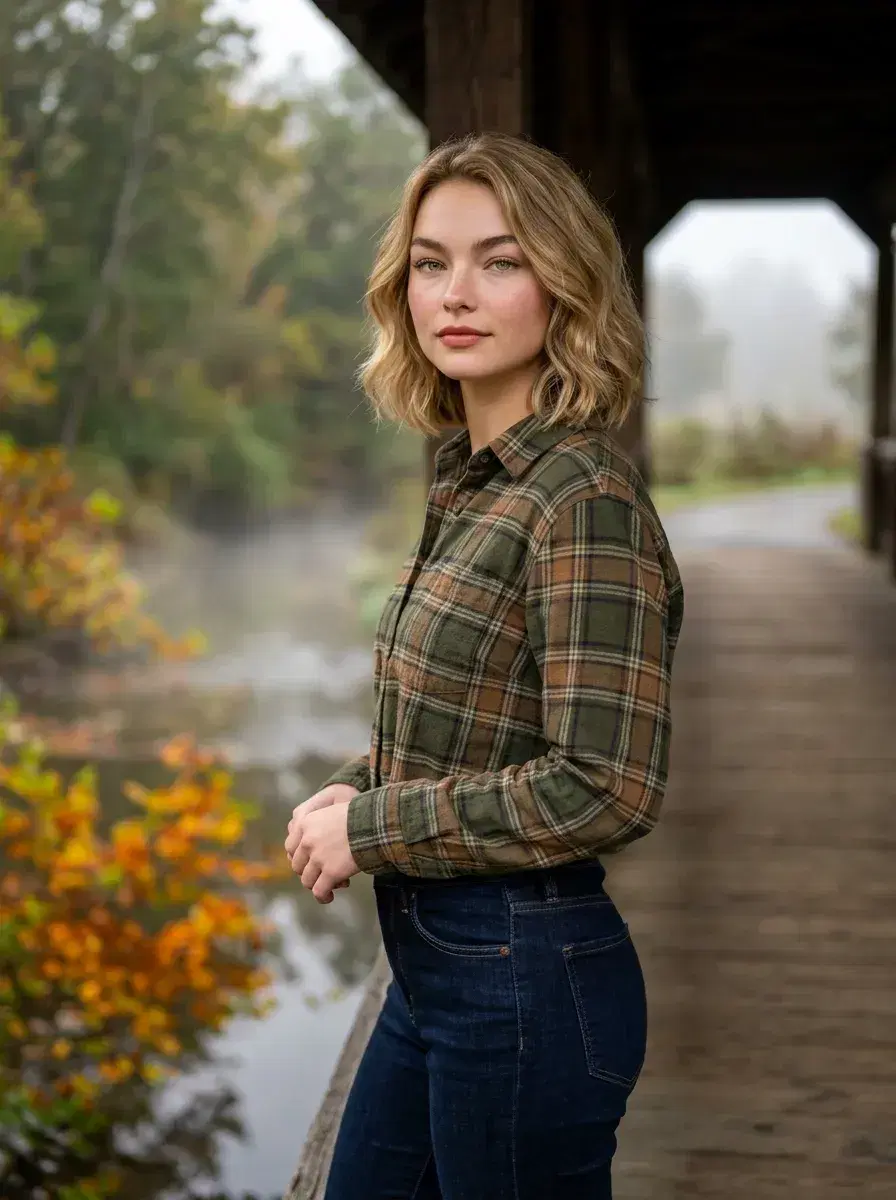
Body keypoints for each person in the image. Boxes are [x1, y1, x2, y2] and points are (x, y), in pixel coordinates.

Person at [284, 131, 684, 1200]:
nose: (454, 292)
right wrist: (362, 782)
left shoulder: (578, 502)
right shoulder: (478, 482)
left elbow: (605, 784)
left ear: (563, 286)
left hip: (524, 986)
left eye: (498, 261)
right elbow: (476, 718)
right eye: (430, 261)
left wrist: (371, 828)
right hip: (436, 976)